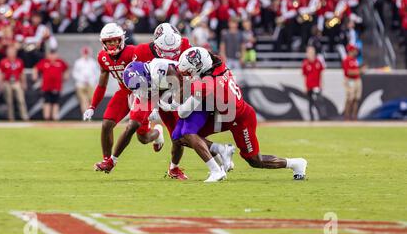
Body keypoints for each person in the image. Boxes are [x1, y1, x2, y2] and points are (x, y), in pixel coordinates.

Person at [171, 47, 308, 182]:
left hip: (240, 119)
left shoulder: (208, 84)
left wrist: (172, 104)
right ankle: (222, 151)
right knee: (184, 136)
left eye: (189, 71)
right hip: (223, 115)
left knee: (255, 160)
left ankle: (295, 163)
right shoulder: (217, 63)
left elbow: (183, 112)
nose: (188, 75)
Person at [90, 23, 192, 178]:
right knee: (134, 127)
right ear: (155, 44)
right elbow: (137, 79)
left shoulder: (184, 44)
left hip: (170, 92)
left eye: (173, 49)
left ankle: (174, 168)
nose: (169, 53)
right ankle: (111, 160)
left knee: (178, 136)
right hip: (148, 90)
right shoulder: (142, 51)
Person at [82, 23, 164, 173]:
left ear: (121, 39)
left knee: (143, 137)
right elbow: (102, 85)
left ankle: (158, 132)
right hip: (124, 91)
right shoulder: (103, 57)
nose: (112, 44)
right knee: (106, 124)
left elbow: (154, 73)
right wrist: (92, 106)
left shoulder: (134, 52)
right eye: (108, 41)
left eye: (114, 40)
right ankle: (107, 160)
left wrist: (154, 104)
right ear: (103, 43)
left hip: (143, 93)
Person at [33, 50, 69, 121]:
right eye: (51, 54)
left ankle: (55, 117)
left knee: (56, 102)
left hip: (57, 86)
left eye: (54, 54)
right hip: (46, 87)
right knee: (47, 102)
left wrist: (65, 76)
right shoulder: (44, 62)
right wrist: (35, 76)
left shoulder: (60, 62)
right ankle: (47, 118)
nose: (52, 56)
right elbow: (36, 68)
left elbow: (67, 69)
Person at [0, 46, 29, 121]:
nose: (11, 53)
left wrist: (23, 83)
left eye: (13, 52)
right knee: (9, 101)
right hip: (7, 82)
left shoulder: (19, 61)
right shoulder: (4, 62)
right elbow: (1, 74)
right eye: (10, 52)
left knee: (21, 100)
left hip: (16, 82)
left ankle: (24, 116)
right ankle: (10, 117)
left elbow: (22, 73)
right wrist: (1, 83)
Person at [302, 46, 326, 121]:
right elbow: (304, 76)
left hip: (317, 86)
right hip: (309, 86)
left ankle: (322, 117)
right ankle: (311, 118)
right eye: (309, 52)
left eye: (312, 52)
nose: (311, 54)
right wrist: (305, 87)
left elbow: (321, 74)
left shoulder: (318, 62)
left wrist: (321, 84)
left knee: (320, 101)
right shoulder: (305, 63)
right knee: (310, 103)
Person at [72, 46, 98, 115]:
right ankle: (85, 115)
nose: (86, 55)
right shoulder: (78, 62)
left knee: (91, 101)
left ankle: (88, 115)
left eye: (87, 53)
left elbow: (96, 73)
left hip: (91, 84)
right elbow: (75, 73)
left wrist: (92, 80)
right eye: (85, 53)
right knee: (84, 100)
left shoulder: (93, 62)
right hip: (81, 84)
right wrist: (83, 79)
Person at [342, 44, 365, 121]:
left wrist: (361, 68)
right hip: (350, 80)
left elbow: (356, 70)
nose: (356, 52)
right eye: (354, 50)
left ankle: (354, 117)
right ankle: (347, 117)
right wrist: (359, 71)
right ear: (351, 51)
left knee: (356, 99)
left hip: (357, 80)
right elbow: (348, 72)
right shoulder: (346, 60)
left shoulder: (355, 60)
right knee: (350, 99)